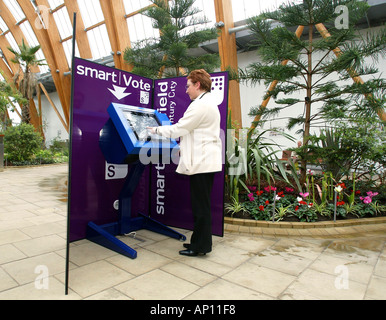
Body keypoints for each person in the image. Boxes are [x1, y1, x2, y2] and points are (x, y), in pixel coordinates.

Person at [147, 69, 222, 257]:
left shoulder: (200, 105)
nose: (186, 90)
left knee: (201, 208)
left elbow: (180, 128)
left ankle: (201, 247)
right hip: (205, 162)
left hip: (201, 163)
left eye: (188, 86)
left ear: (198, 84)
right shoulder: (208, 103)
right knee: (201, 206)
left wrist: (155, 130)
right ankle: (198, 242)